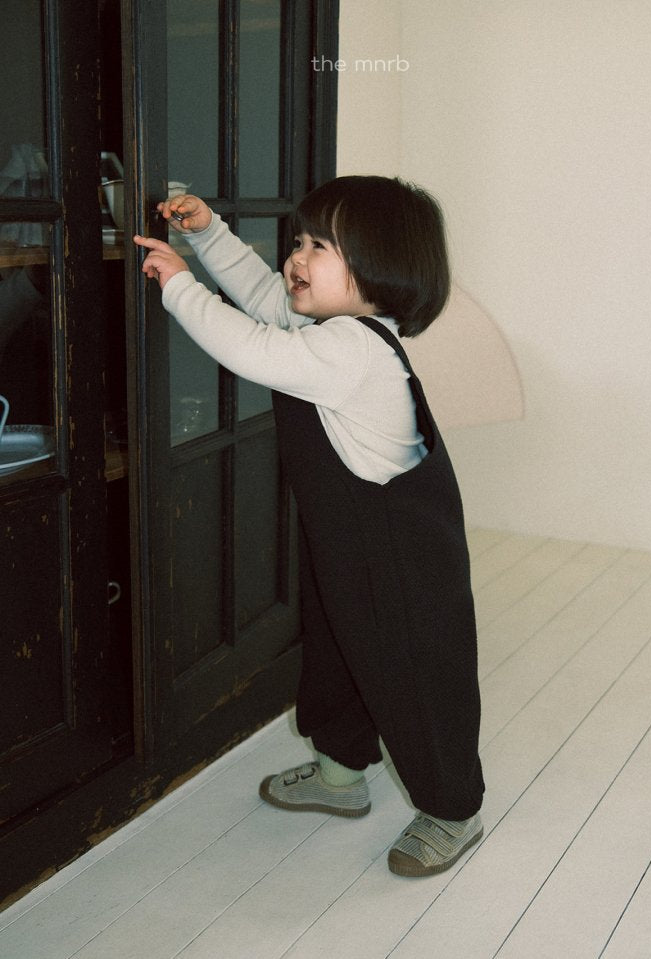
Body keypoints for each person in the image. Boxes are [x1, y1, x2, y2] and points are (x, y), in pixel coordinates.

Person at [134, 175, 485, 878]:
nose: (296, 256)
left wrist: (179, 285)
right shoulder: (327, 327)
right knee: (339, 655)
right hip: (350, 541)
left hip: (402, 555)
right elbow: (265, 299)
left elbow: (252, 347)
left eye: (319, 246)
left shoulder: (355, 348)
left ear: (380, 267)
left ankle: (453, 808)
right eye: (299, 241)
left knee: (414, 676)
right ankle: (339, 773)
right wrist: (208, 236)